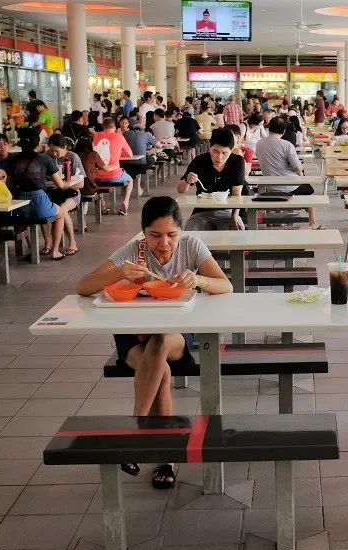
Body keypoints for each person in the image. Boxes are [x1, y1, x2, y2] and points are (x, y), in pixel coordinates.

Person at [76, 196, 232, 489]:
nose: (164, 244)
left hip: (176, 334)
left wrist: (198, 280)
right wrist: (119, 272)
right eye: (155, 236)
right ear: (143, 233)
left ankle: (136, 433)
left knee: (159, 343)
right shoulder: (134, 251)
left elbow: (226, 285)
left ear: (181, 232)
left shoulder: (191, 247)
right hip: (132, 335)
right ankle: (166, 455)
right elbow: (83, 286)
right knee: (162, 372)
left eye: (172, 235)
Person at [5, 128, 74, 260]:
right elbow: (60, 184)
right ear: (37, 143)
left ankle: (32, 249)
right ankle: (55, 251)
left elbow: (9, 184)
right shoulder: (44, 159)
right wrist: (72, 183)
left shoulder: (13, 159)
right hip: (39, 201)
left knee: (26, 220)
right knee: (60, 213)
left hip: (19, 204)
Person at [256, 117, 322, 229]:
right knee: (310, 192)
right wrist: (301, 174)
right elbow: (297, 167)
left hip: (269, 185)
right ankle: (312, 222)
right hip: (288, 185)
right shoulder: (286, 145)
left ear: (269, 128)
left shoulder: (259, 143)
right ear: (284, 131)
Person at [176, 127, 246, 230]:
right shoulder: (199, 161)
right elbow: (180, 190)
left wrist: (234, 217)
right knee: (191, 234)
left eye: (224, 153)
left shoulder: (237, 162)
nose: (219, 157)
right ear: (210, 147)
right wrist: (187, 180)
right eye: (215, 151)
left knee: (237, 234)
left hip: (227, 212)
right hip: (201, 212)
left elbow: (236, 194)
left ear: (231, 150)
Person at [44, 134, 83, 255]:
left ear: (65, 147)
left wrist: (64, 184)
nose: (54, 154)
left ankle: (72, 242)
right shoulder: (46, 156)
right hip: (53, 192)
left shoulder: (73, 157)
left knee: (62, 209)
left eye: (56, 151)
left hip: (72, 194)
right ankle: (48, 243)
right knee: (44, 209)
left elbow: (80, 184)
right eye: (51, 150)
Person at [92, 118, 135, 215]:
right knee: (130, 180)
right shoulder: (119, 136)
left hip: (96, 175)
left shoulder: (95, 136)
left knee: (97, 183)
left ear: (103, 127)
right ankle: (126, 202)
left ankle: (102, 204)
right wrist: (118, 153)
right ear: (115, 127)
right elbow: (130, 154)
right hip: (114, 174)